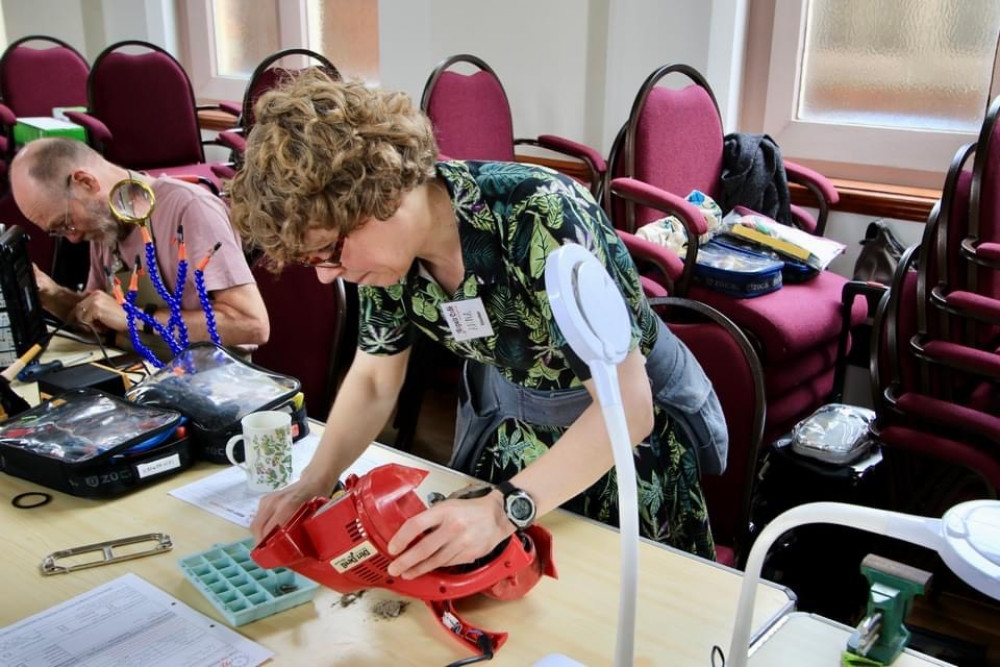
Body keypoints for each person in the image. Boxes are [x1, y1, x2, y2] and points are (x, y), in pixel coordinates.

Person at [231, 71, 726, 578]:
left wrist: (502, 508)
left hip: (621, 435)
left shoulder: (541, 214)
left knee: (610, 604)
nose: (324, 277)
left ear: (382, 194)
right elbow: (377, 377)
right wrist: (316, 478)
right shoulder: (385, 264)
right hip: (518, 430)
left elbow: (628, 409)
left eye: (330, 251)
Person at [10, 138, 269, 352]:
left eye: (66, 223)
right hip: (145, 377)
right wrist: (52, 295)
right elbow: (99, 318)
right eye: (58, 232)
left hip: (214, 382)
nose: (72, 238)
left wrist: (135, 318)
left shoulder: (189, 209)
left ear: (86, 182)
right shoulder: (104, 221)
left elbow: (251, 324)